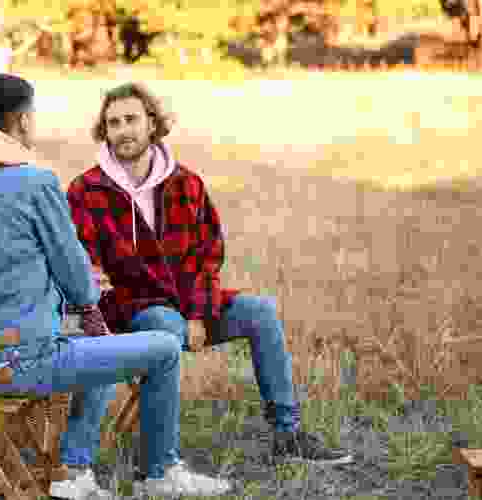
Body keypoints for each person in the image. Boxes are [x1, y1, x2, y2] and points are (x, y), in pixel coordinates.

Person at [0, 73, 233, 500]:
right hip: (27, 361)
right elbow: (77, 278)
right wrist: (83, 295)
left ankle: (75, 469)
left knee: (92, 344)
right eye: (31, 116)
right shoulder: (34, 183)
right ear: (20, 122)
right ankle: (157, 473)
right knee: (164, 349)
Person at [66, 82, 355, 469]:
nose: (123, 130)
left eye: (131, 119)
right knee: (163, 322)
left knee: (260, 311)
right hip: (130, 310)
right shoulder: (86, 190)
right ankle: (158, 464)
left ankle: (288, 432)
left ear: (152, 123)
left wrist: (199, 314)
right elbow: (83, 262)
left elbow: (208, 255)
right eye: (113, 122)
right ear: (105, 131)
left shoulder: (186, 183)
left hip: (189, 305)